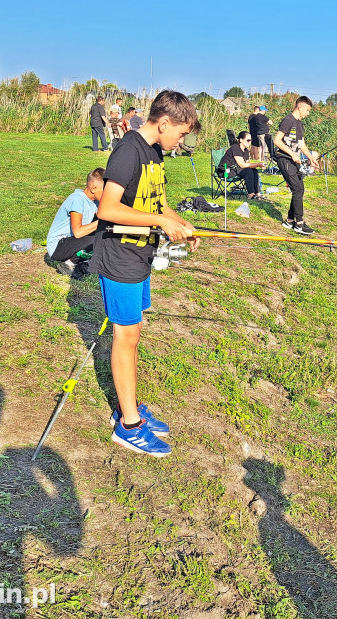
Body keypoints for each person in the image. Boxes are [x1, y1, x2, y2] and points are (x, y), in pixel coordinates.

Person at [91, 90, 201, 457]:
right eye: (181, 134)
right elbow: (107, 209)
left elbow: (157, 201)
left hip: (140, 256)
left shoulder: (154, 154)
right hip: (119, 257)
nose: (181, 142)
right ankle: (129, 425)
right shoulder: (128, 151)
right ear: (164, 122)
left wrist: (179, 222)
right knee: (126, 337)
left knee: (134, 334)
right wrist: (158, 221)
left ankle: (130, 405)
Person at [274, 95, 319, 235]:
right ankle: (299, 224)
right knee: (298, 189)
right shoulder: (288, 120)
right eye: (308, 110)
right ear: (300, 107)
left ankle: (289, 220)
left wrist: (311, 158)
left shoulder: (300, 124)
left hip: (293, 160)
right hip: (284, 159)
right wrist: (292, 154)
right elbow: (277, 141)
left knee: (300, 188)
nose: (308, 113)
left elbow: (301, 144)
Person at [46, 168, 105, 275]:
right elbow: (78, 232)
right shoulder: (77, 199)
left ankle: (86, 261)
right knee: (98, 239)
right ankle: (69, 264)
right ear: (94, 189)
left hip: (72, 242)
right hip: (58, 246)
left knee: (105, 235)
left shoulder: (95, 202)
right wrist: (102, 221)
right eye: (105, 191)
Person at [218, 130, 265, 200]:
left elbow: (247, 163)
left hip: (235, 169)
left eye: (251, 140)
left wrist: (257, 165)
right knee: (248, 171)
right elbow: (242, 165)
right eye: (248, 140)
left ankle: (257, 193)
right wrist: (258, 164)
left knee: (254, 170)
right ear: (241, 140)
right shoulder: (235, 148)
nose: (250, 142)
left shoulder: (245, 150)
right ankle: (251, 194)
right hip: (225, 171)